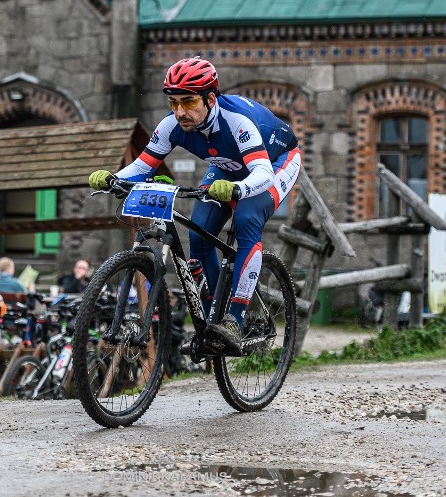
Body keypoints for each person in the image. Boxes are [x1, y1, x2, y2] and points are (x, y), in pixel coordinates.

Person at [88, 57, 301, 352]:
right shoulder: (171, 125)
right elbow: (143, 166)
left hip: (275, 162)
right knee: (199, 233)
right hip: (227, 166)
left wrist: (238, 189)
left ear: (210, 99)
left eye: (188, 102)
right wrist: (113, 178)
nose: (180, 112)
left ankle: (235, 320)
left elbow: (262, 174)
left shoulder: (237, 121)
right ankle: (213, 320)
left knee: (246, 220)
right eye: (173, 103)